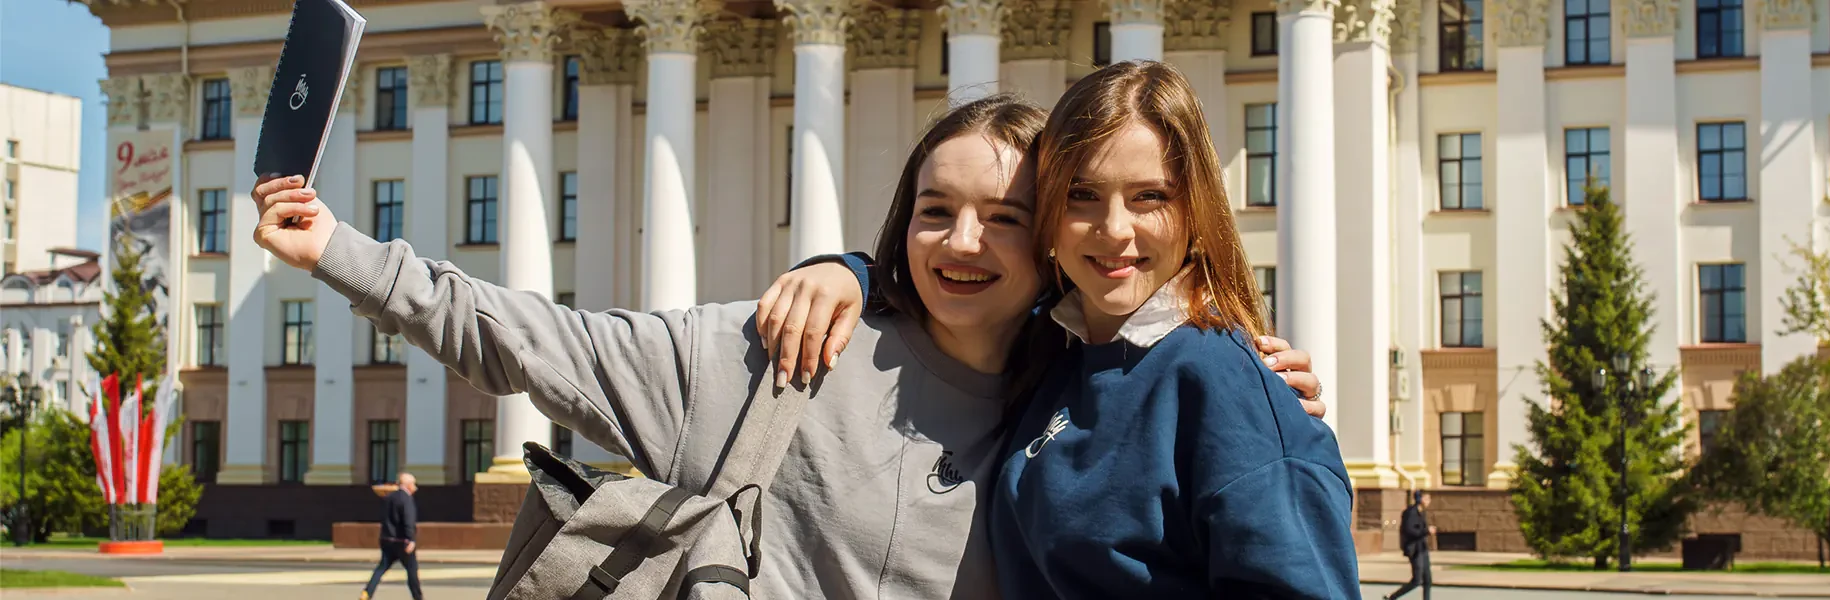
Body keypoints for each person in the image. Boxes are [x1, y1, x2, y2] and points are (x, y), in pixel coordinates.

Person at [249, 95, 1325, 600]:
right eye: (934, 211)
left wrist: (1250, 396)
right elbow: (532, 341)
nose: (962, 243)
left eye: (1003, 217)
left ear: (1046, 242)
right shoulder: (776, 352)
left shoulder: (1070, 396)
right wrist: (339, 249)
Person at [769, 62, 1361, 598]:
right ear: (1050, 212)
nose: (1114, 229)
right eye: (1083, 195)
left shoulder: (1221, 381)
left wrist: (1259, 405)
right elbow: (962, 291)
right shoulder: (1060, 351)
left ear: (1197, 209)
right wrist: (855, 275)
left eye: (1149, 196)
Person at [363, 473, 423, 600]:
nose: (415, 487)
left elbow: (384, 518)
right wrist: (411, 539)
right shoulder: (406, 499)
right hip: (402, 541)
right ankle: (418, 597)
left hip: (386, 539)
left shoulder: (388, 498)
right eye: (413, 484)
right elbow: (408, 520)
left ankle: (367, 593)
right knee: (412, 570)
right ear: (408, 485)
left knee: (381, 568)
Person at [1388, 491, 1436, 600]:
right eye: (1427, 498)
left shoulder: (1422, 512)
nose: (1429, 501)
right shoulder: (1411, 512)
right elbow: (1409, 530)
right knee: (1417, 580)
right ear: (1421, 499)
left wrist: (1427, 531)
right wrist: (1426, 531)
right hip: (1414, 550)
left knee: (1427, 579)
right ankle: (1392, 597)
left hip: (1422, 548)